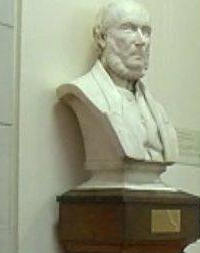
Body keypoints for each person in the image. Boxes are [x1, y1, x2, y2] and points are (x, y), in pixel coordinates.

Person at [58, 0, 178, 180]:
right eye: (129, 28)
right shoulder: (83, 92)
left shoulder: (156, 109)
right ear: (101, 38)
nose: (141, 41)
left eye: (146, 31)